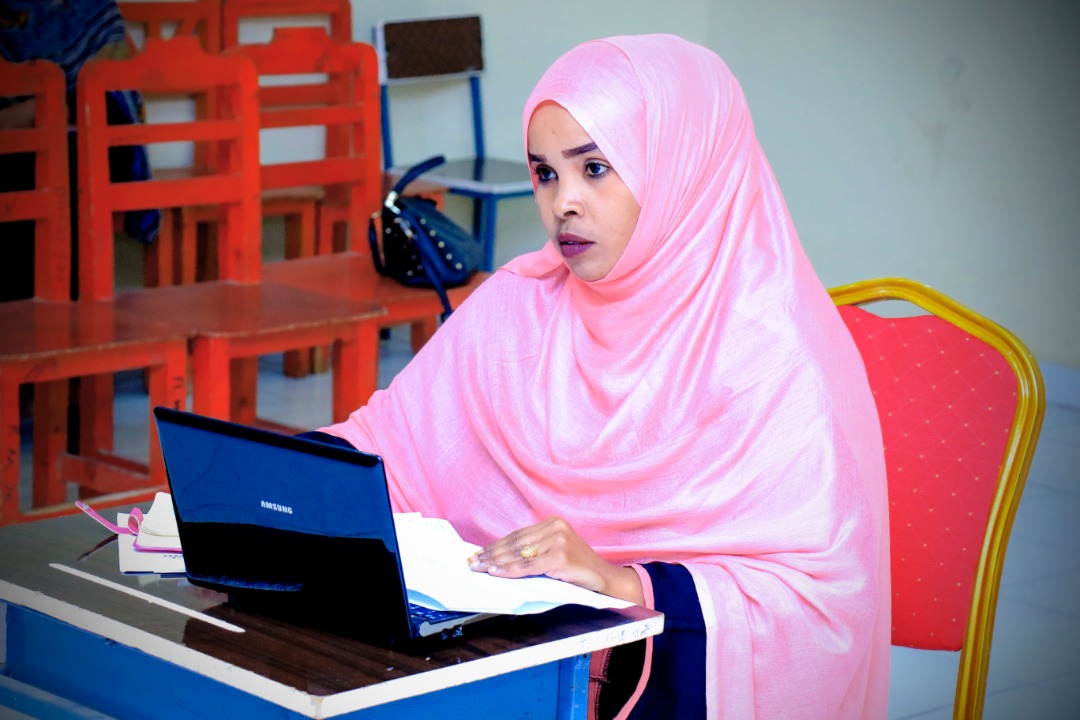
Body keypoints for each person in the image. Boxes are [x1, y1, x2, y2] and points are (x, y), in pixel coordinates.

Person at [309, 34, 890, 719]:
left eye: (595, 168)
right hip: (490, 671)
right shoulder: (519, 303)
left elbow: (818, 614)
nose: (563, 204)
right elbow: (390, 443)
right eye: (546, 173)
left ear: (680, 168)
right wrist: (280, 482)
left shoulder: (775, 360)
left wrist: (622, 581)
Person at [1, 0, 158, 302]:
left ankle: (64, 311)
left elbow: (115, 105)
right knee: (27, 161)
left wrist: (56, 108)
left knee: (69, 162)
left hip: (88, 148)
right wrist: (41, 108)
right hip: (22, 150)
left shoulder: (95, 12)